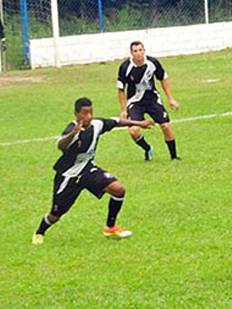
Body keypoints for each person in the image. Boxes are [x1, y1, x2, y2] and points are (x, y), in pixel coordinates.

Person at [31, 97, 154, 245]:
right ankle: (40, 232)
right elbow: (61, 145)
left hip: (88, 170)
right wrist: (72, 135)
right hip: (69, 176)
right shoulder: (72, 128)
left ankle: (110, 227)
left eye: (90, 112)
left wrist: (139, 123)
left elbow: (116, 122)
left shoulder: (97, 124)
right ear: (76, 114)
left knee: (119, 189)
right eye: (84, 113)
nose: (88, 116)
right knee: (55, 214)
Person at [117, 41, 180, 161]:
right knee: (133, 130)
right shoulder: (125, 67)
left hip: (152, 99)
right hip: (135, 101)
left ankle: (174, 157)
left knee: (166, 126)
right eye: (135, 51)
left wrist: (170, 98)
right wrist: (124, 110)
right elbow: (121, 89)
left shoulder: (153, 63)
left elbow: (163, 78)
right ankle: (147, 149)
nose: (138, 53)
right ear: (131, 53)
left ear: (144, 50)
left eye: (140, 50)